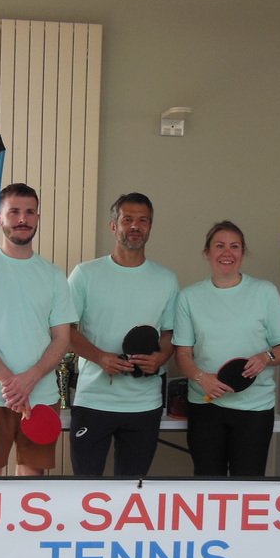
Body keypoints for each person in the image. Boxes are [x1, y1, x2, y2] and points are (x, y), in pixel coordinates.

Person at [67, 193, 179, 476]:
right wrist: (100, 357)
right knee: (85, 489)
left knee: (132, 491)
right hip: (93, 401)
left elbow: (169, 333)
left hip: (144, 405)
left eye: (143, 220)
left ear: (150, 227)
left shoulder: (166, 279)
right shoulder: (85, 274)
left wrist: (161, 357)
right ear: (113, 226)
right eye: (127, 219)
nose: (135, 226)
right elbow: (65, 330)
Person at [173, 221, 280, 476]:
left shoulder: (264, 292)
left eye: (234, 246)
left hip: (254, 409)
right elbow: (182, 355)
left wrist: (266, 357)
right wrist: (202, 378)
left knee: (248, 485)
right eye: (220, 246)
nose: (227, 253)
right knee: (207, 484)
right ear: (207, 253)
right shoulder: (188, 297)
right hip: (205, 406)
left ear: (242, 252)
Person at [0, 183, 76, 477]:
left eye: (30, 212)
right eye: (14, 211)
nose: (23, 219)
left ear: (38, 218)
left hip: (41, 397)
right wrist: (12, 384)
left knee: (31, 489)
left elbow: (62, 339)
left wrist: (29, 379)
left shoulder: (54, 275)